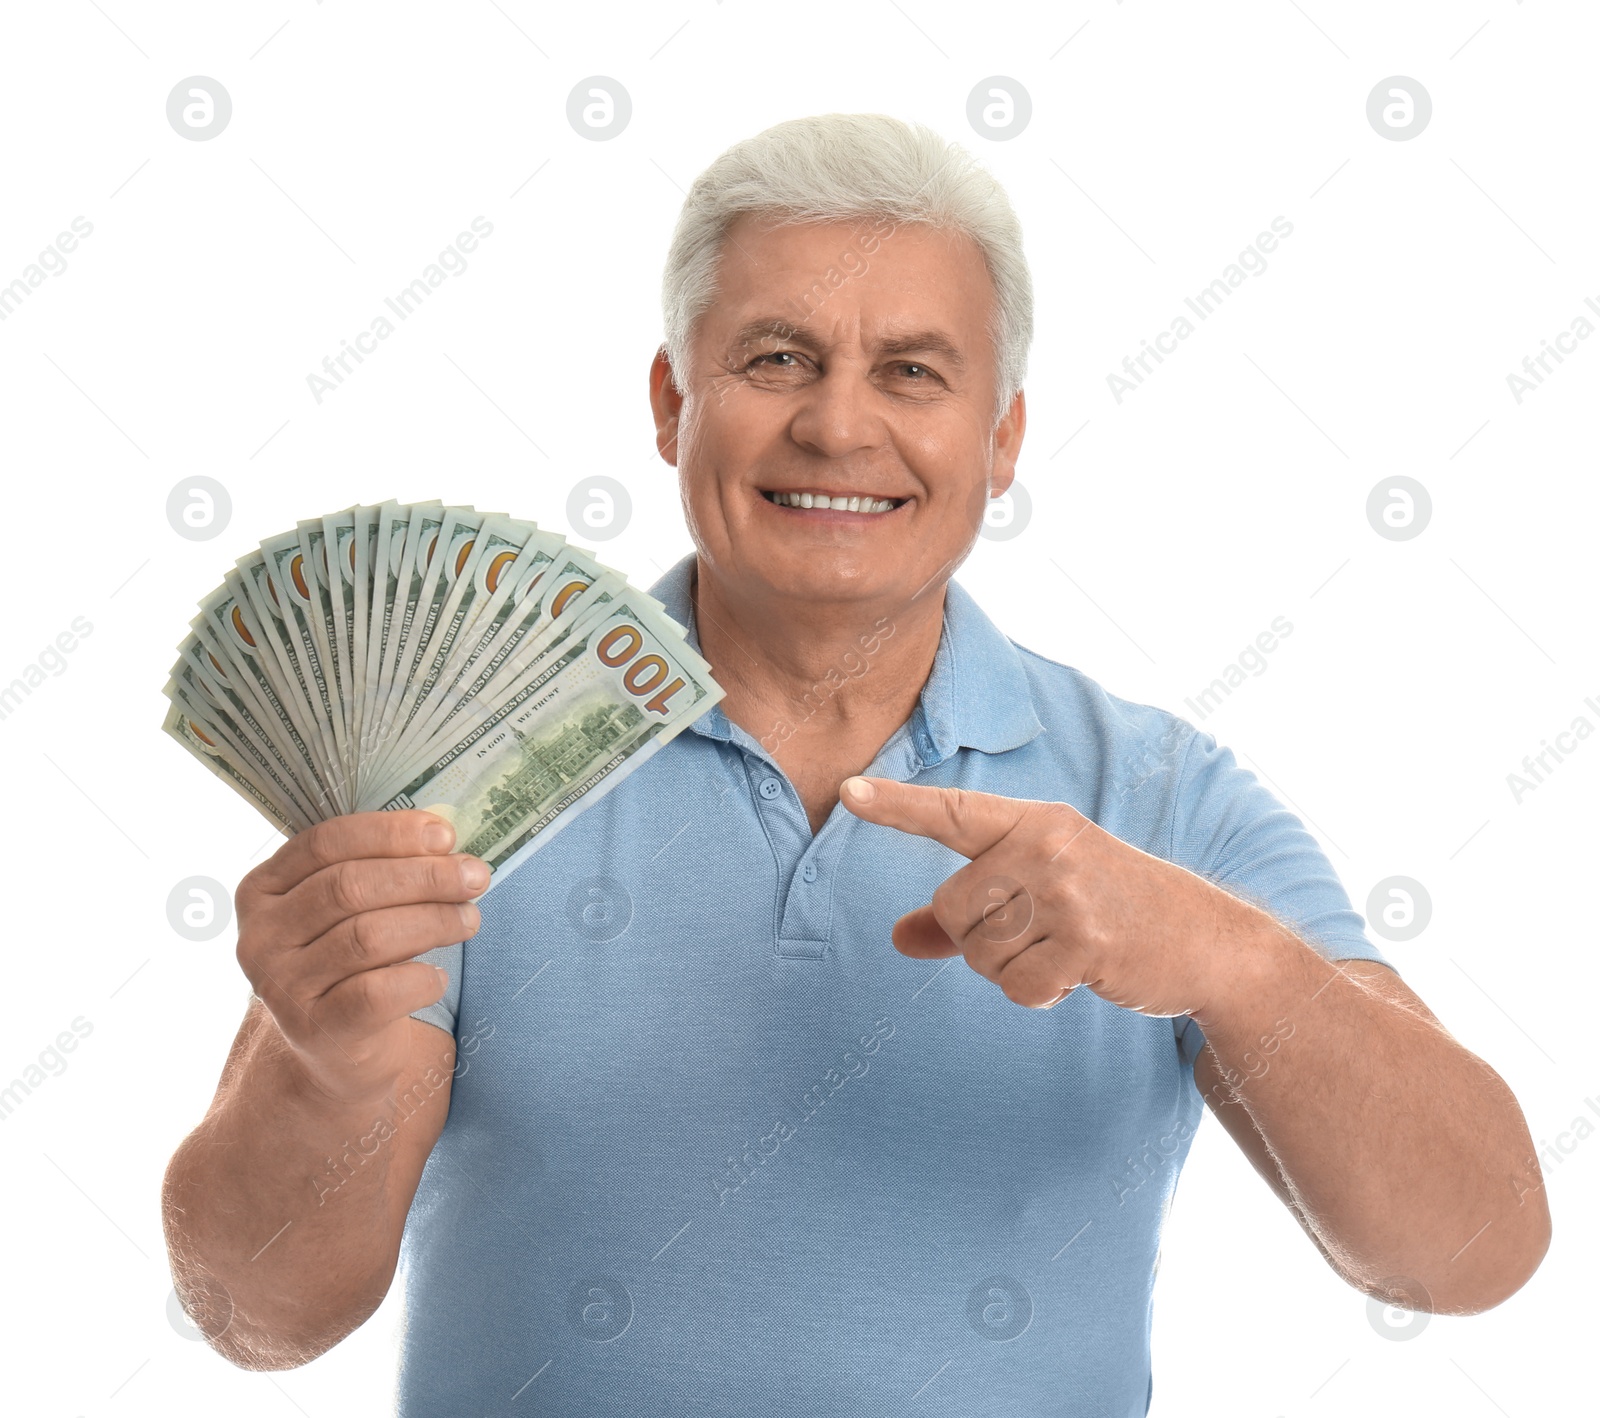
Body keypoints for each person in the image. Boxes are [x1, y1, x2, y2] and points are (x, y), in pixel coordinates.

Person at [161, 113, 1550, 1416]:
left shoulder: (1165, 798)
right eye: (776, 358)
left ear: (1001, 436)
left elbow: (1473, 1250)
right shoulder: (464, 774)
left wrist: (1230, 960)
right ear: (669, 401)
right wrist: (325, 1060)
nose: (838, 424)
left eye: (912, 371)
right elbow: (256, 1311)